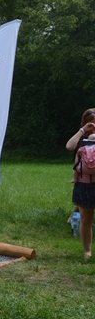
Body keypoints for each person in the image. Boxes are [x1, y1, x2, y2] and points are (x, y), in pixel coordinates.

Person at [66, 108, 95, 260]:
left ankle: (87, 252)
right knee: (86, 219)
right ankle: (87, 252)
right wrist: (83, 130)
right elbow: (69, 146)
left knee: (86, 219)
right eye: (91, 122)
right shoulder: (81, 139)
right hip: (84, 184)